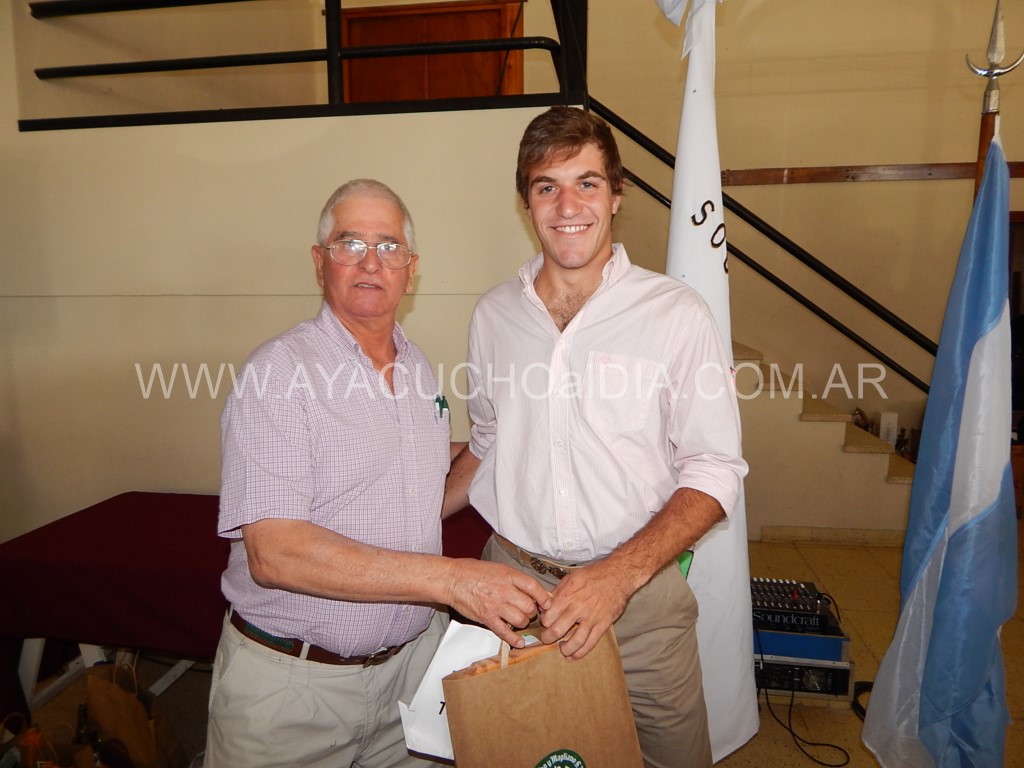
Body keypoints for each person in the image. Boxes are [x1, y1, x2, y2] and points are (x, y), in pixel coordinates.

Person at [205, 179, 550, 768]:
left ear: (410, 270)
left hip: (410, 677)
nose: (371, 262)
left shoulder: (416, 369)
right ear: (320, 261)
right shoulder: (278, 373)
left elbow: (417, 490)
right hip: (295, 689)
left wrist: (513, 433)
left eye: (389, 246)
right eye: (351, 243)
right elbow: (275, 554)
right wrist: (452, 580)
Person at [444, 108, 748, 768]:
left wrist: (617, 577)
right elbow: (488, 441)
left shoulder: (674, 314)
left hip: (639, 601)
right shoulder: (493, 315)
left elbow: (714, 468)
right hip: (513, 595)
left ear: (616, 194)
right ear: (526, 202)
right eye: (546, 186)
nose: (567, 206)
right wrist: (407, 515)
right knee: (516, 754)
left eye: (587, 183)